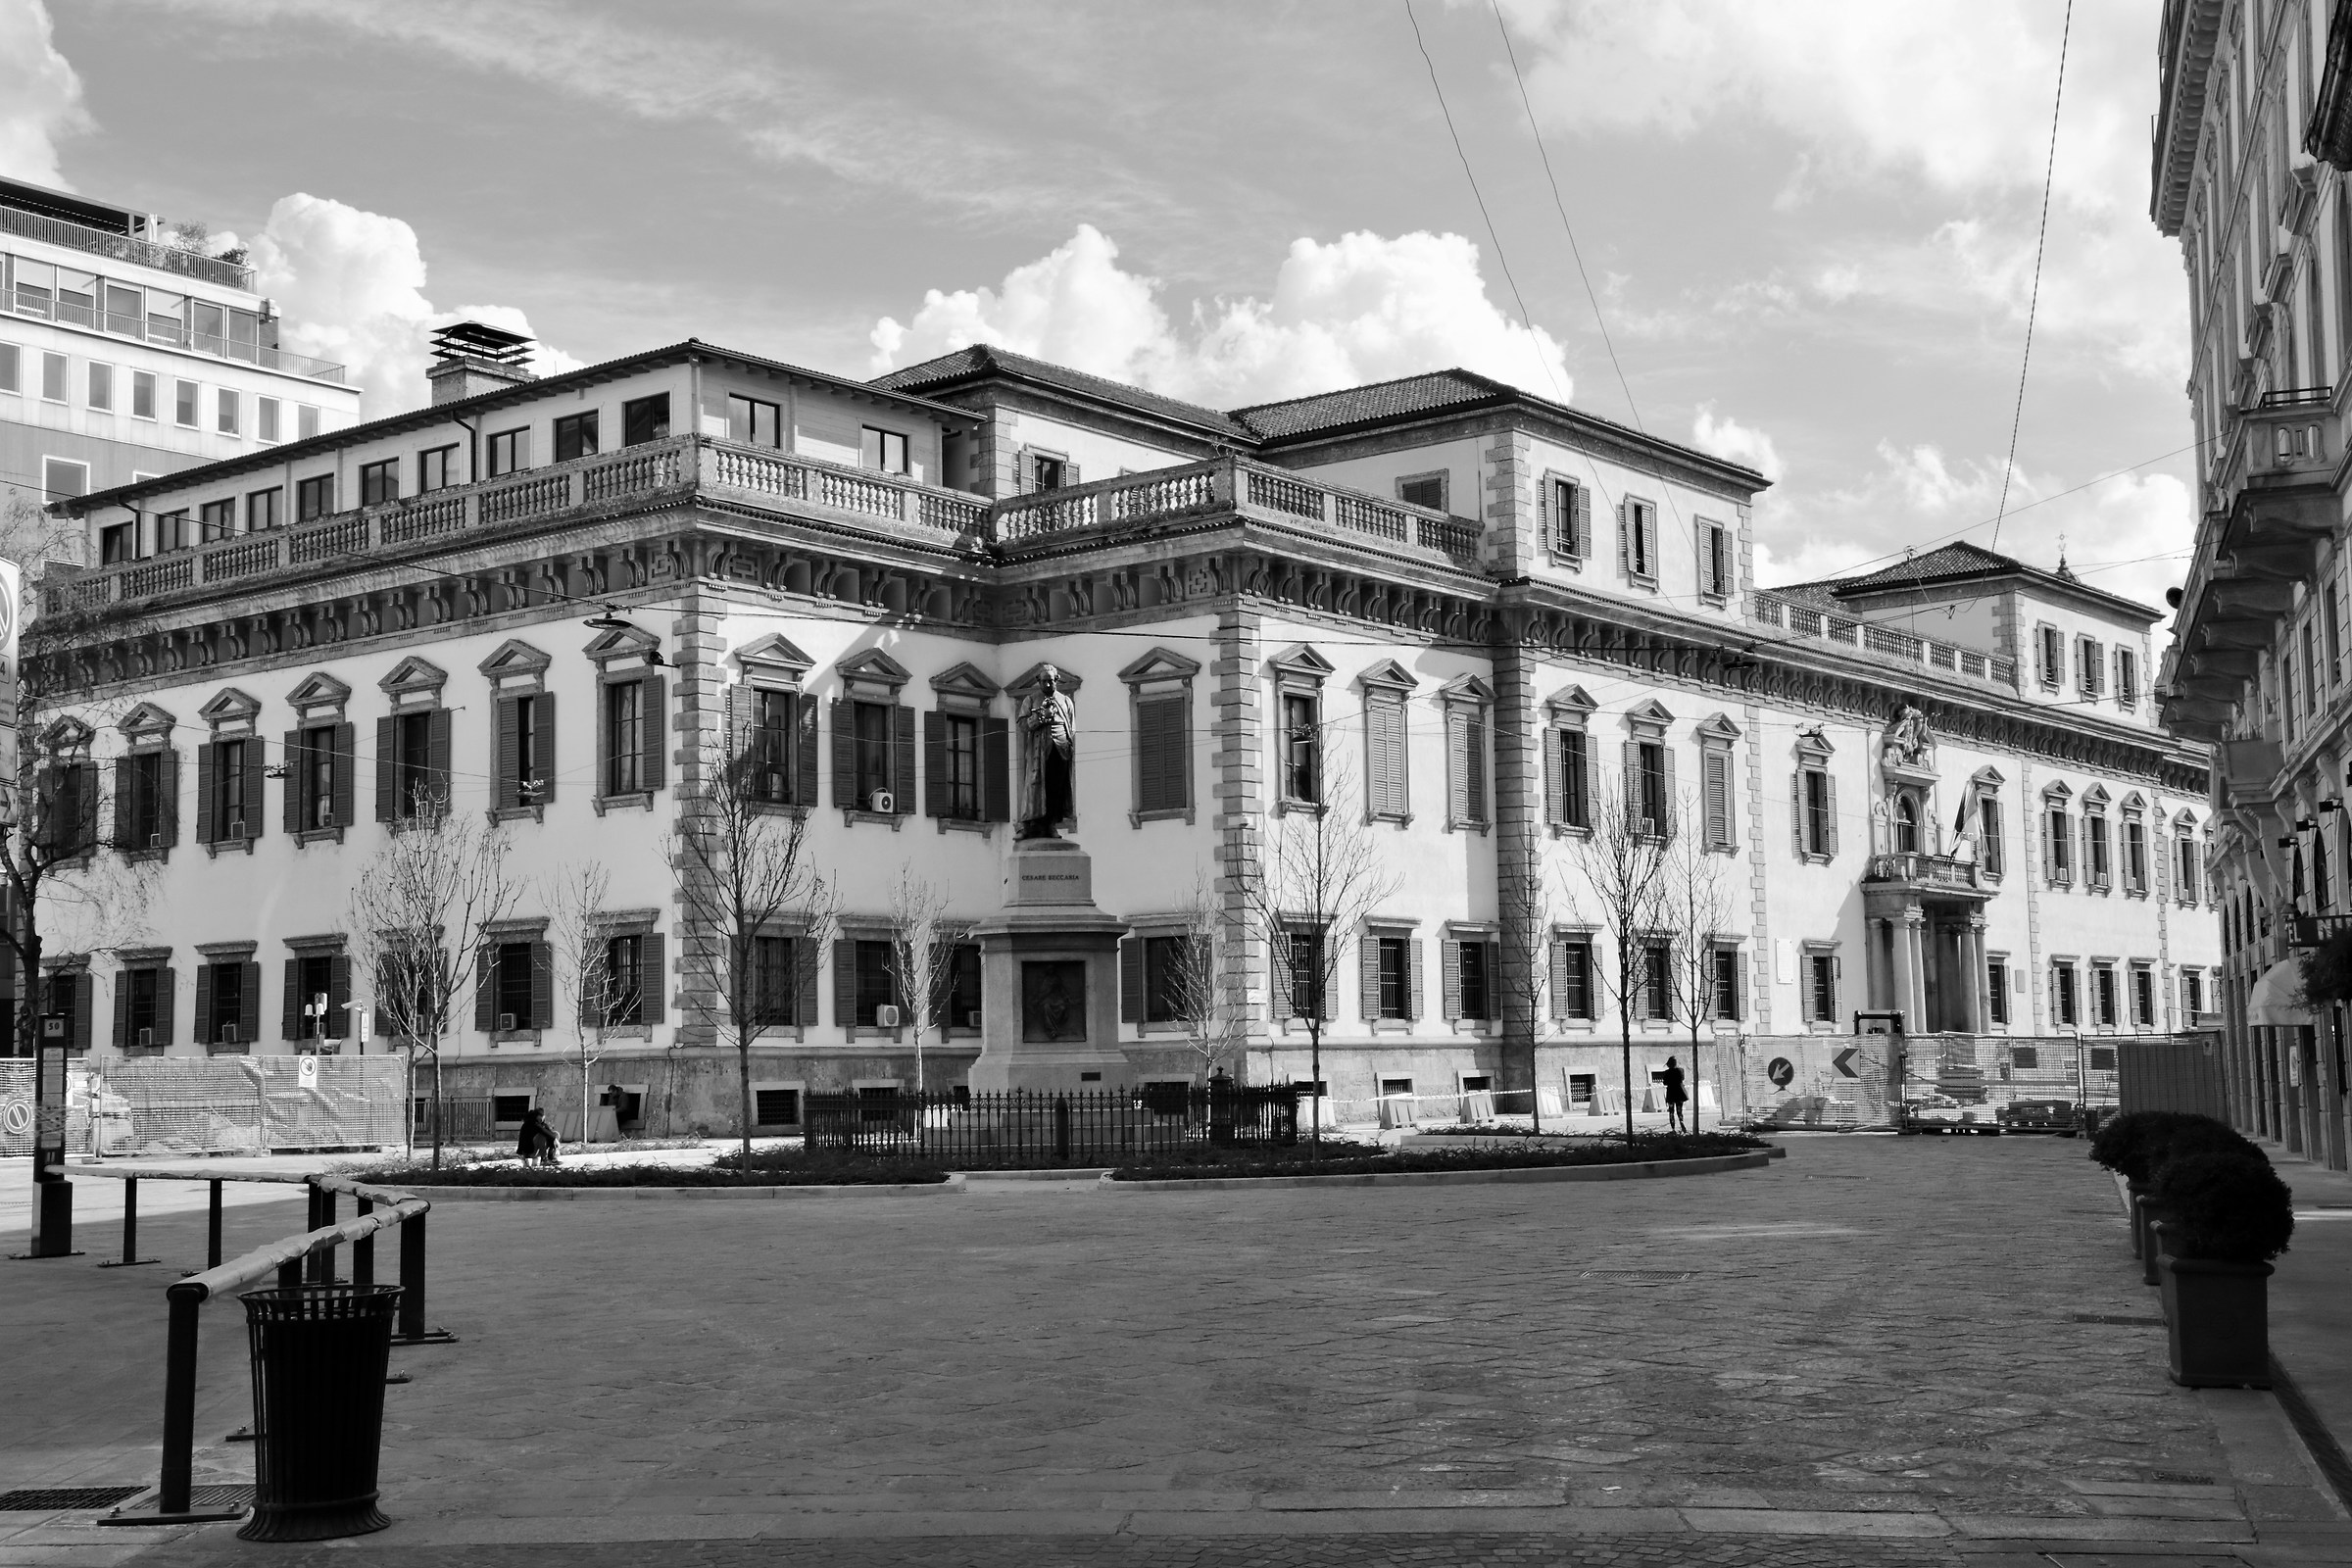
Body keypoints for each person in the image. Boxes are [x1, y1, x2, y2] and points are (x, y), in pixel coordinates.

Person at [1660, 1056, 1689, 1133]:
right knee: (1679, 1110)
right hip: (1679, 1092)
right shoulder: (1680, 1070)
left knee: (1671, 1111)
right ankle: (1681, 1121)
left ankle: (1673, 1128)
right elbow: (1682, 1079)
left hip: (1671, 1093)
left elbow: (1665, 1082)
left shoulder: (1667, 1072)